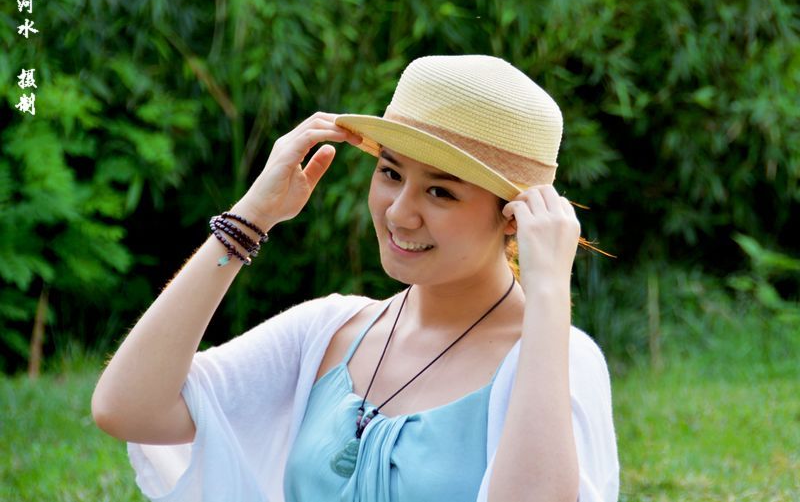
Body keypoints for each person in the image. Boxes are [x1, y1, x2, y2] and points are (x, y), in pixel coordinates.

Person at [92, 54, 619, 502]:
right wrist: (250, 219)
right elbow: (127, 408)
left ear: (513, 217)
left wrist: (549, 292)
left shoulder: (556, 359)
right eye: (390, 172)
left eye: (441, 192)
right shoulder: (329, 333)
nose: (399, 213)